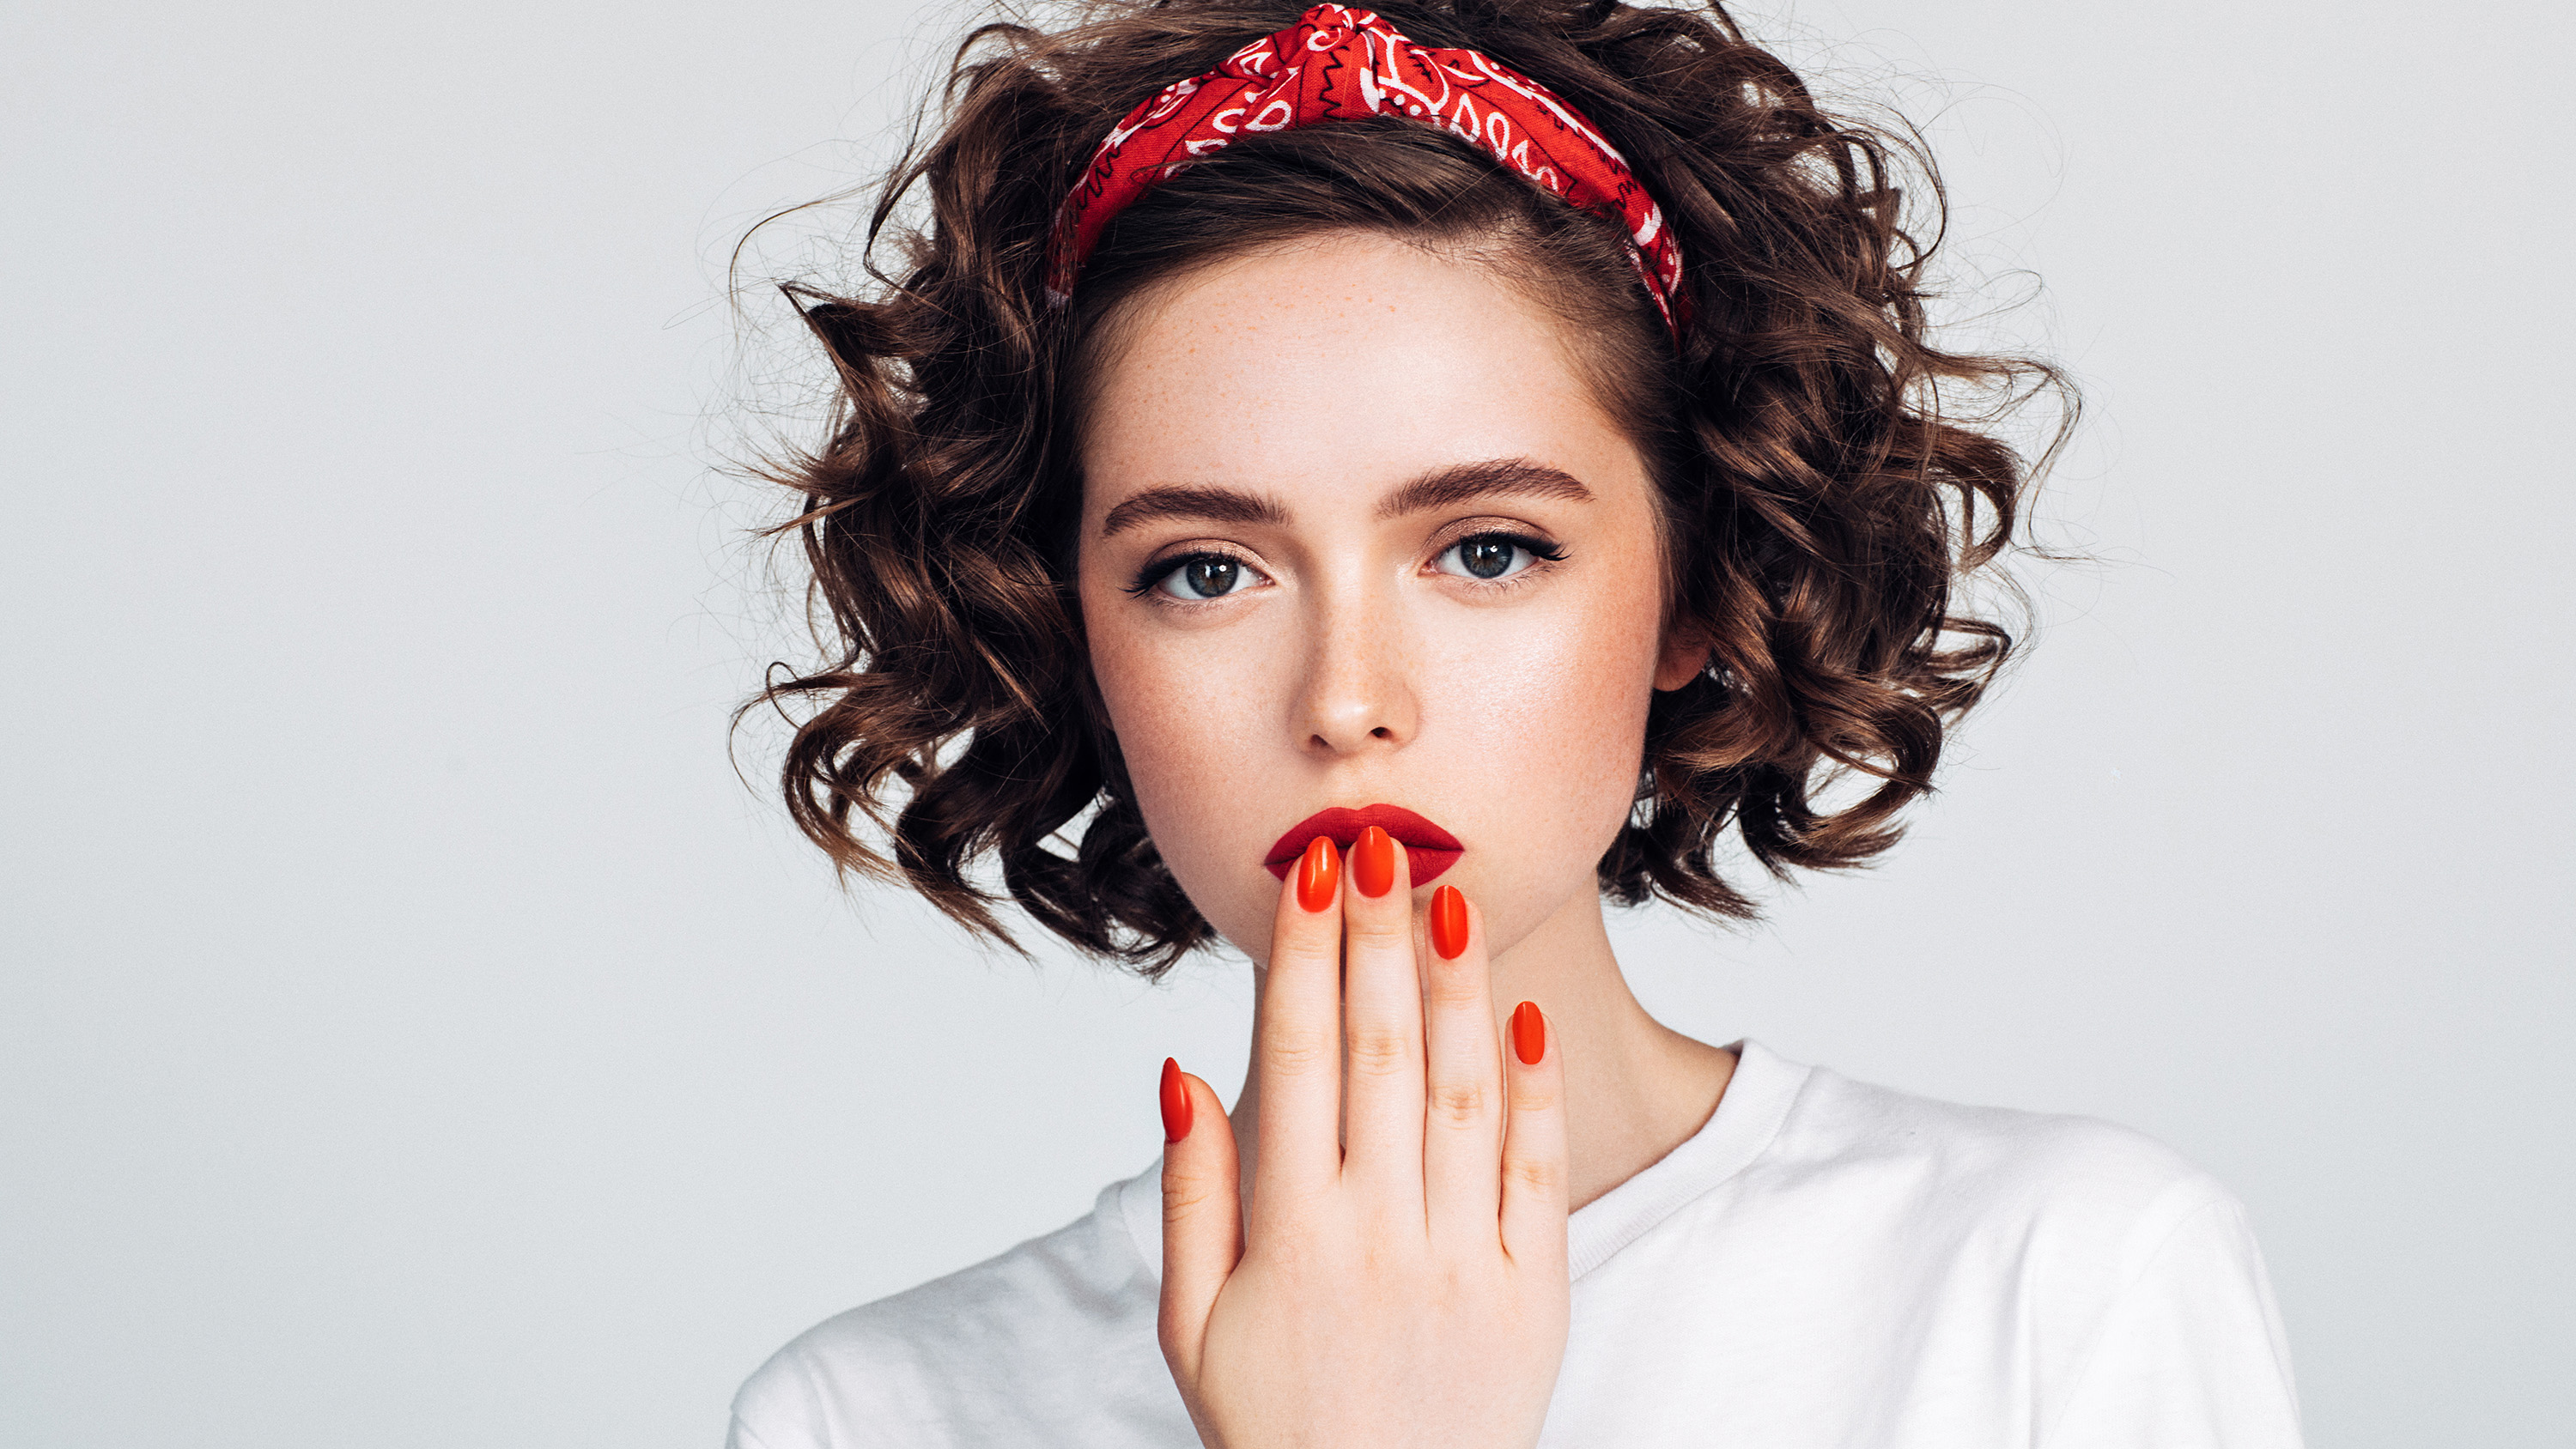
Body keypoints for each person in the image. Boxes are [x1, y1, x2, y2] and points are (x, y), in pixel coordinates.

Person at [725, 2, 2304, 1444]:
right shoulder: (871, 1417)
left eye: (1488, 551)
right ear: (1074, 631)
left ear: (1694, 586)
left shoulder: (2061, 1290)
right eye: (1206, 571)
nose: (1347, 701)